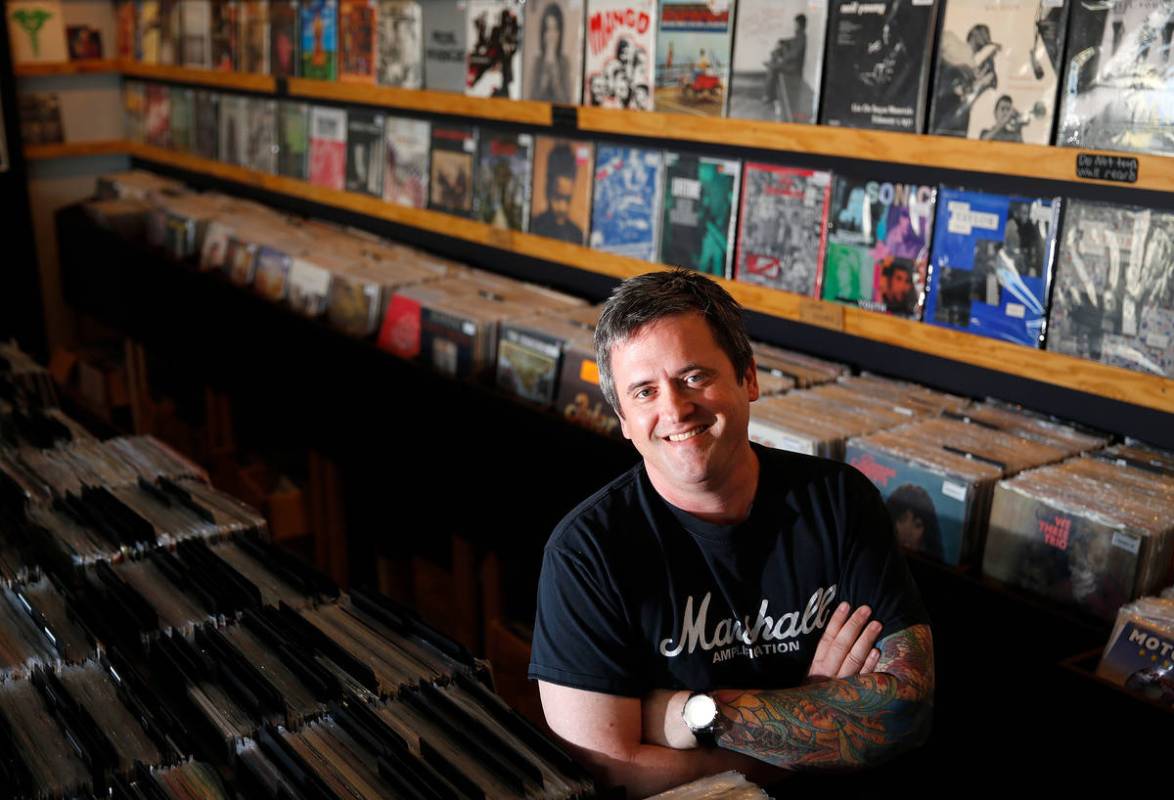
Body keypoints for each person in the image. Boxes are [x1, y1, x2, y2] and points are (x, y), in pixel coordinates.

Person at [530, 270, 934, 797]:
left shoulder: (840, 501)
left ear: (749, 378)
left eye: (694, 376)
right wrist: (818, 720)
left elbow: (904, 711)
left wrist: (693, 714)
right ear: (624, 420)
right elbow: (612, 770)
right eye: (645, 392)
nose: (674, 409)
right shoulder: (584, 553)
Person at [531, 142, 585, 244]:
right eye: (557, 197)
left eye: (567, 199)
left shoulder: (577, 235)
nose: (562, 207)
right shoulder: (534, 227)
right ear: (548, 189)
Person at [529, 2, 572, 102]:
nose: (551, 35)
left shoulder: (565, 63)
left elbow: (566, 101)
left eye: (555, 29)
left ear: (560, 32)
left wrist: (556, 74)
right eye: (548, 29)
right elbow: (532, 100)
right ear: (543, 33)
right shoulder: (537, 62)